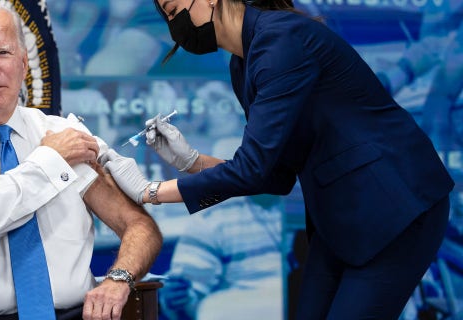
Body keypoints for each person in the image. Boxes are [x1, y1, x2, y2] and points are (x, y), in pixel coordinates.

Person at [99, 0, 455, 319]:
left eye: (174, 12)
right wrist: (191, 161)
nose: (173, 28)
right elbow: (273, 175)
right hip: (343, 216)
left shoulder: (281, 41)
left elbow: (252, 168)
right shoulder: (245, 63)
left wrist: (150, 191)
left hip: (395, 206)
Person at [0, 2, 162, 320]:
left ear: (25, 63)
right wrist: (52, 158)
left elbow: (138, 225)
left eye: (3, 52)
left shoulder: (64, 134)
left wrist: (118, 278)